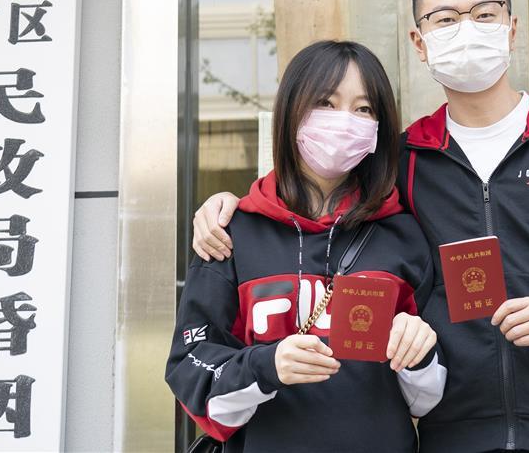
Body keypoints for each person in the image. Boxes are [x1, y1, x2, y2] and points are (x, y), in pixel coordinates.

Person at [192, 0, 529, 452]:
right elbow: (313, 200)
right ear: (420, 43)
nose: (467, 30)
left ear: (511, 28)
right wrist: (229, 205)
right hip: (455, 434)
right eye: (445, 19)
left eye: (484, 14)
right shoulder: (402, 161)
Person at [166, 40, 446, 453]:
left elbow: (427, 399)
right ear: (291, 111)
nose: (344, 121)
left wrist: (419, 354)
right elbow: (191, 370)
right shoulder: (230, 233)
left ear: (378, 128)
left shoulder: (403, 236)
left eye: (363, 109)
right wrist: (265, 366)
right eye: (326, 103)